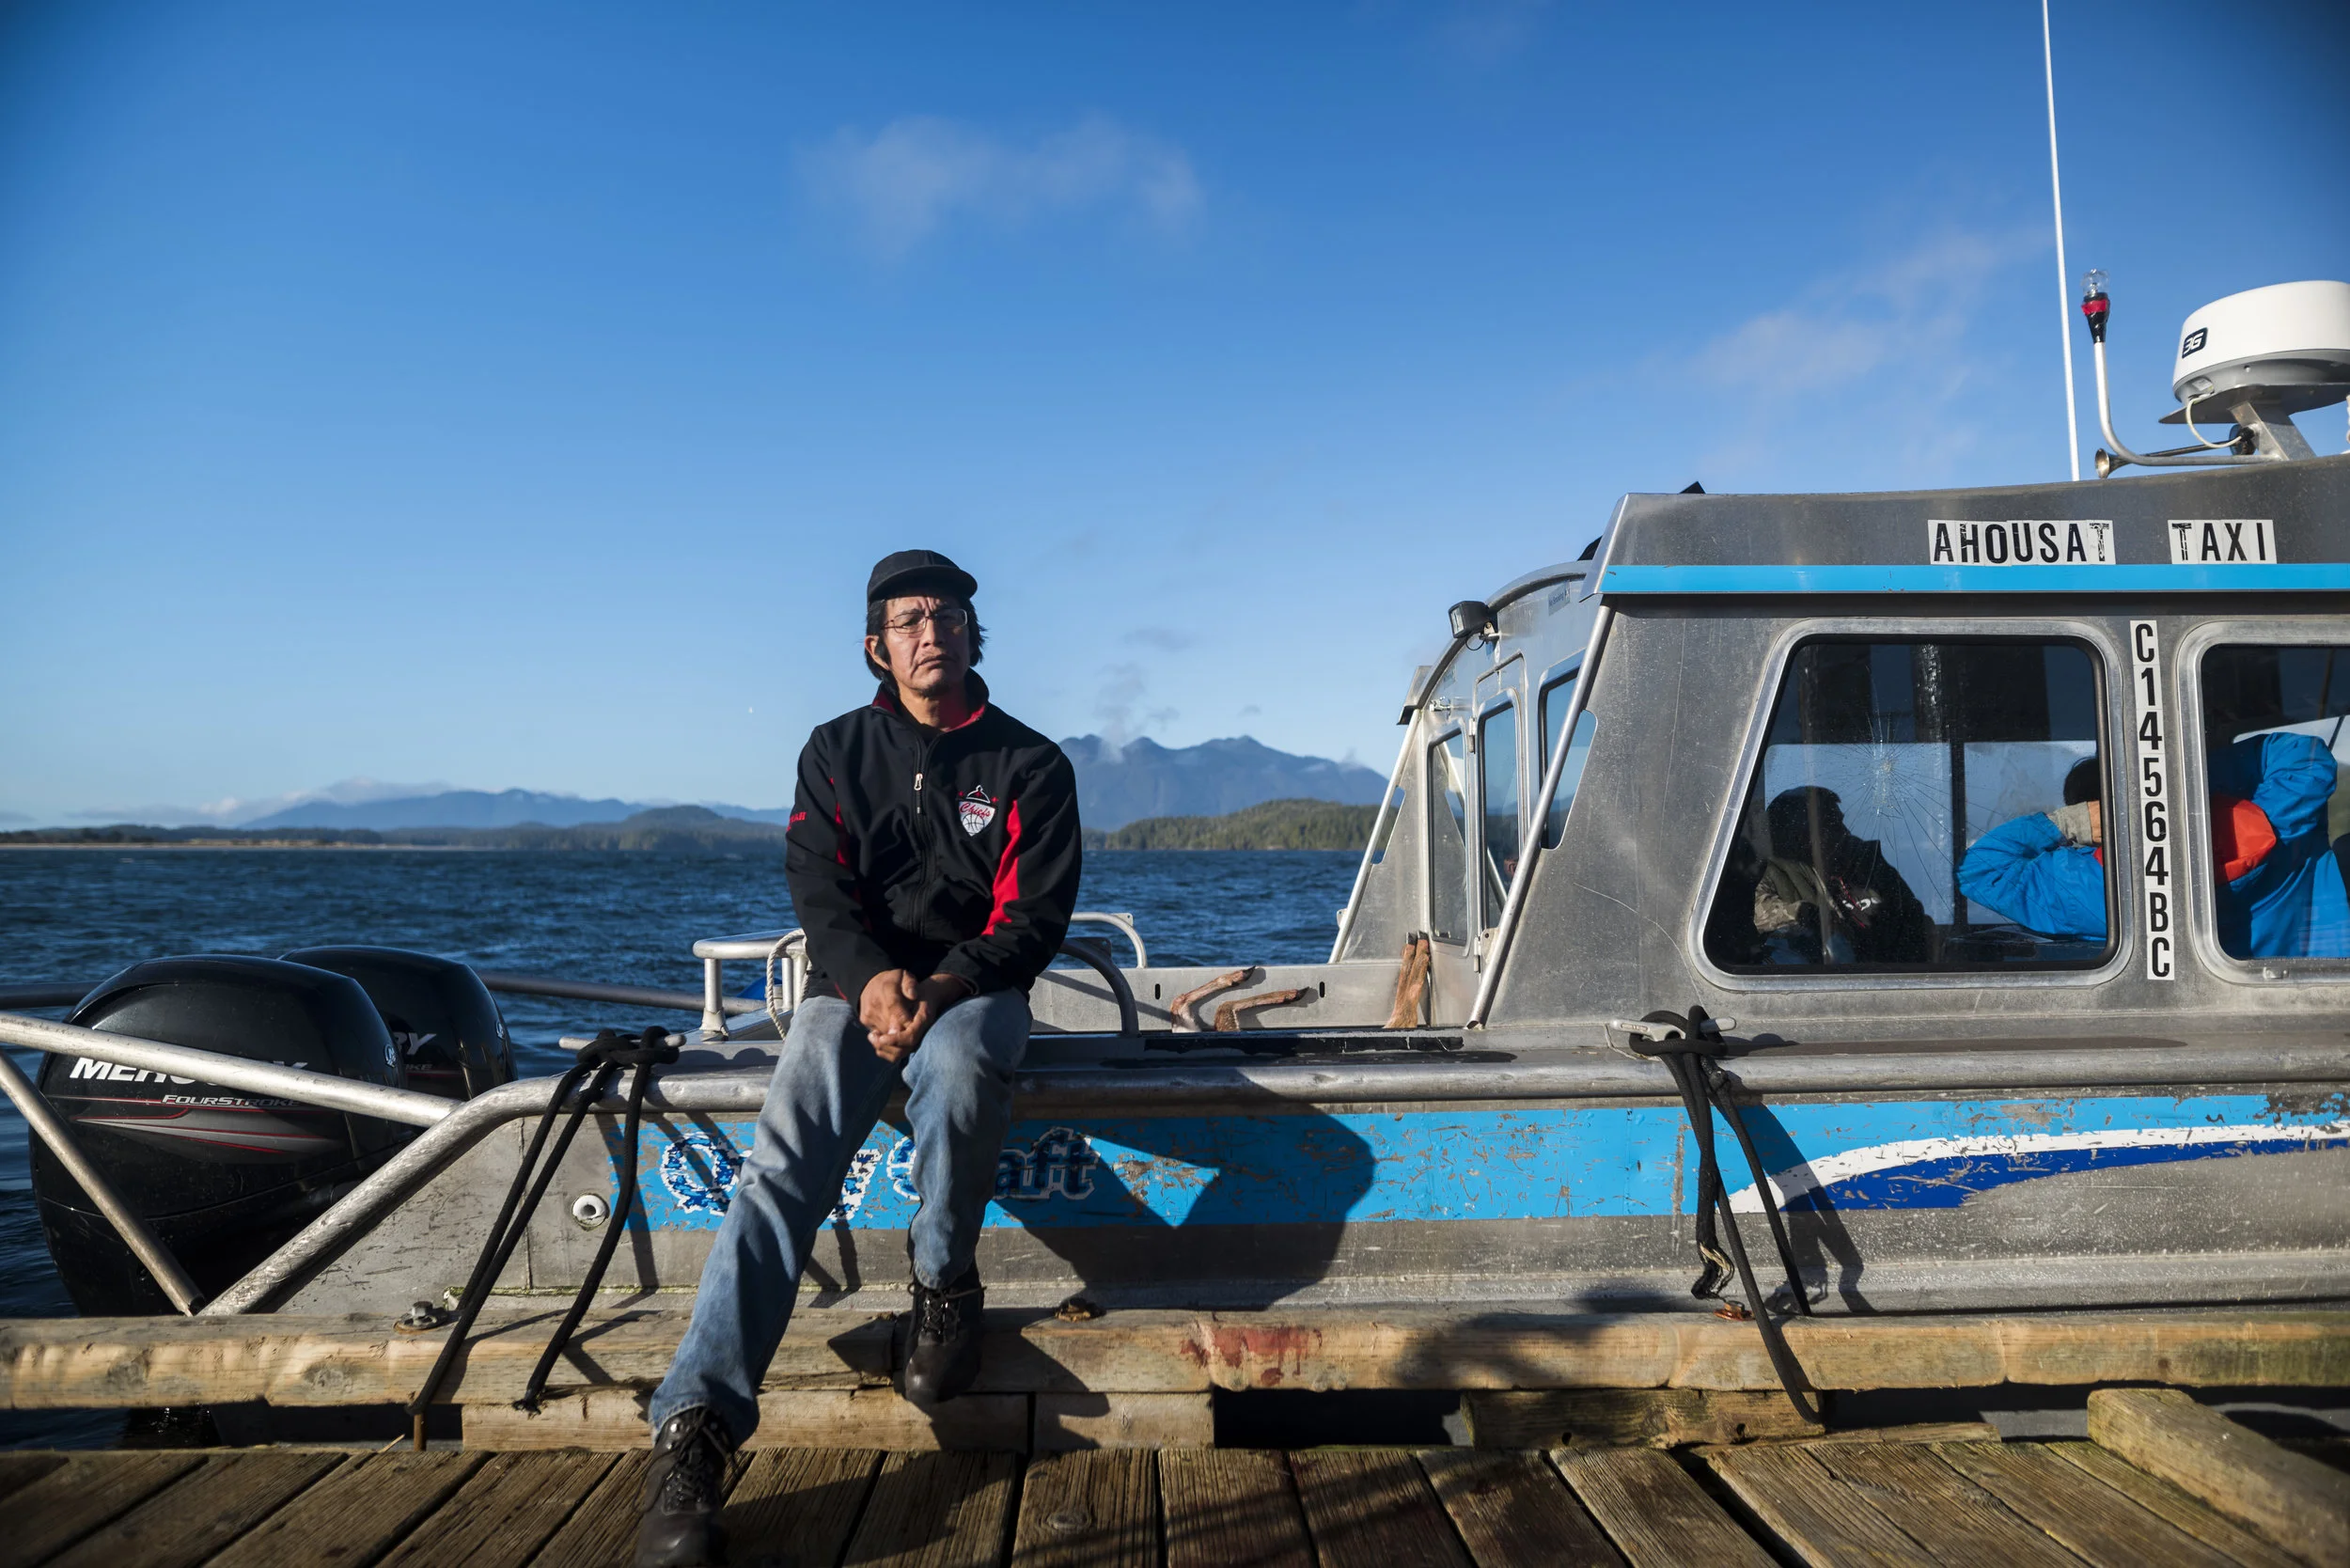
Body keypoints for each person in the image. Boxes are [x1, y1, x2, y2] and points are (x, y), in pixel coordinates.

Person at [634, 550, 1082, 1568]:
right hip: (851, 992)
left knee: (964, 1066)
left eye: (951, 615)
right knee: (781, 1169)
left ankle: (942, 1288)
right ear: (876, 646)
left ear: (976, 635)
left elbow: (1033, 919)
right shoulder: (835, 751)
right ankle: (694, 1431)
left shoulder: (1030, 765)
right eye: (910, 618)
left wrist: (943, 986)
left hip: (975, 992)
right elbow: (819, 887)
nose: (933, 631)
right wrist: (870, 979)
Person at [1958, 737, 2349, 959]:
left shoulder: (2094, 890)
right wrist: (2181, 779)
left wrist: (2069, 824)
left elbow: (1982, 872)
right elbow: (2305, 758)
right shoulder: (2280, 816)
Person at [1748, 786, 1933, 964]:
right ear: (1801, 836)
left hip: (1888, 975)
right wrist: (1804, 914)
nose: (1844, 832)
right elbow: (1755, 912)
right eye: (1831, 826)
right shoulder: (1772, 871)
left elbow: (1911, 915)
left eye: (1840, 823)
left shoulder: (1868, 863)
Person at [1956, 757, 2107, 942]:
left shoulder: (2078, 882)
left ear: (2093, 811)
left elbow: (1980, 871)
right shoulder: (2083, 879)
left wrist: (2070, 822)